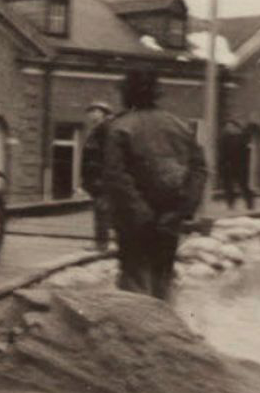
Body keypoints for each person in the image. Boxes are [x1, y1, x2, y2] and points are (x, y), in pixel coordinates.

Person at [103, 71, 207, 300]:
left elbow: (116, 175)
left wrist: (141, 213)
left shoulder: (120, 127)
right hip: (169, 219)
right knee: (163, 281)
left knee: (135, 284)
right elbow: (199, 170)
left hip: (134, 222)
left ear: (127, 94)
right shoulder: (179, 125)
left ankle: (137, 333)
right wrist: (181, 211)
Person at [80, 100, 114, 253]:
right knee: (101, 210)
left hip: (102, 178)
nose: (92, 114)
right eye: (91, 111)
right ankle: (101, 242)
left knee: (102, 211)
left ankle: (101, 244)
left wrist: (102, 177)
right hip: (96, 178)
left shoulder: (105, 130)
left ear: (104, 114)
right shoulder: (97, 130)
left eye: (96, 111)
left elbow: (107, 155)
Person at [219, 119, 255, 210]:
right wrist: (222, 164)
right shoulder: (224, 139)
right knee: (228, 186)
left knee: (243, 185)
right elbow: (222, 153)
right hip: (228, 166)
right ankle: (230, 204)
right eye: (227, 127)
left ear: (236, 128)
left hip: (240, 166)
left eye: (231, 127)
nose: (228, 129)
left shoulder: (242, 138)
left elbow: (245, 151)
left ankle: (249, 203)